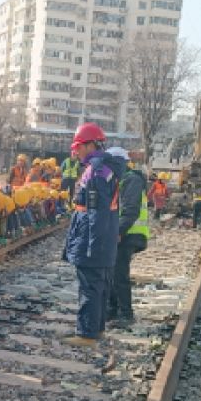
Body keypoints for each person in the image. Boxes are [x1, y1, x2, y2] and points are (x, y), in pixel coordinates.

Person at [61, 123, 122, 347]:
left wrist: (92, 246)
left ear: (90, 145)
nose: (75, 152)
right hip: (101, 238)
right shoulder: (104, 169)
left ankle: (86, 334)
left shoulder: (96, 172)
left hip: (92, 238)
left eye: (78, 147)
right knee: (100, 285)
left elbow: (97, 211)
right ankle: (96, 329)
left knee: (90, 286)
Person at [108, 147, 147, 325]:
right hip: (123, 232)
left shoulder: (131, 180)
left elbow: (131, 210)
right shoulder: (121, 180)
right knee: (111, 272)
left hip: (129, 233)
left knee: (119, 273)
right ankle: (112, 310)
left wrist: (118, 231)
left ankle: (126, 314)